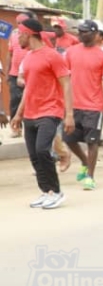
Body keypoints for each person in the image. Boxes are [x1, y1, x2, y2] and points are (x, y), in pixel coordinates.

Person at [10, 18, 74, 209]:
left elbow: (66, 83)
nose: (16, 38)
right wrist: (19, 114)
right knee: (34, 155)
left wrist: (69, 114)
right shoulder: (28, 57)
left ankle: (56, 191)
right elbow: (29, 88)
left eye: (18, 34)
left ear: (27, 34)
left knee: (42, 150)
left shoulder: (52, 56)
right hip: (30, 111)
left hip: (50, 110)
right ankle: (46, 191)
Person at [63, 20, 103, 190]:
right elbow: (66, 80)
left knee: (92, 142)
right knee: (68, 139)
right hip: (74, 105)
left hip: (93, 106)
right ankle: (85, 161)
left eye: (85, 31)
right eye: (80, 31)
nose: (81, 34)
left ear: (94, 33)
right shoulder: (70, 52)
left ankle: (90, 176)